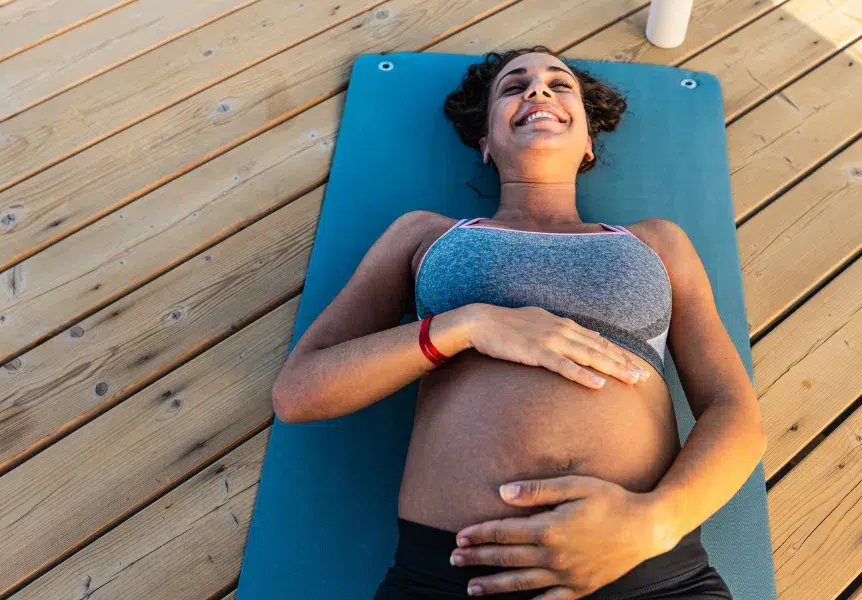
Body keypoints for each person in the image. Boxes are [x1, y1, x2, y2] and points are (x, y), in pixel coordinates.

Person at [271, 45, 767, 600]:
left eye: (560, 84)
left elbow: (733, 410)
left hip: (650, 573)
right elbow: (298, 392)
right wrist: (467, 326)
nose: (537, 90)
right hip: (453, 579)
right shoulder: (424, 235)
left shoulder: (658, 242)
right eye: (513, 87)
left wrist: (657, 523)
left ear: (588, 143)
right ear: (485, 142)